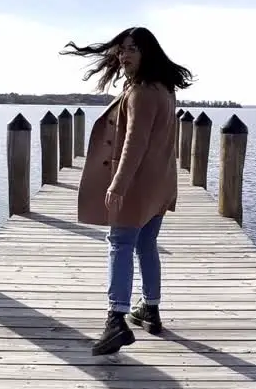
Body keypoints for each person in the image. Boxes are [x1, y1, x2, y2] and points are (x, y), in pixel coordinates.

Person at [60, 26, 193, 355]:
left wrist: (117, 184)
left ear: (148, 52)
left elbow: (136, 141)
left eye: (132, 49)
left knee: (120, 244)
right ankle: (150, 308)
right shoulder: (163, 88)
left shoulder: (142, 92)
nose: (124, 55)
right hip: (159, 182)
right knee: (146, 245)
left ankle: (115, 320)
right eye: (122, 49)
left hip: (137, 184)